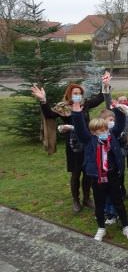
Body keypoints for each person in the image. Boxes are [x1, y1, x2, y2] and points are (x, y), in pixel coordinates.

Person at [31, 79, 108, 213]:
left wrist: (105, 84)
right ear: (69, 95)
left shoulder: (85, 105)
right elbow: (49, 114)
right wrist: (43, 100)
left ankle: (87, 198)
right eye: (74, 93)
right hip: (73, 145)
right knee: (76, 173)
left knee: (88, 173)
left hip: (88, 144)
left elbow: (100, 97)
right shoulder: (64, 107)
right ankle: (76, 200)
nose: (77, 95)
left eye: (79, 93)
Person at [70, 101, 128, 242]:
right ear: (93, 132)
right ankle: (101, 227)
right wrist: (76, 113)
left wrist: (118, 110)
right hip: (97, 177)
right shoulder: (89, 140)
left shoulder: (112, 136)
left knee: (118, 202)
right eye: (100, 130)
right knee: (99, 204)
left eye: (105, 129)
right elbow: (80, 129)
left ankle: (126, 226)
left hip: (112, 175)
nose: (105, 132)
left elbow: (119, 125)